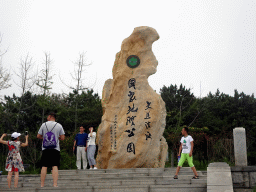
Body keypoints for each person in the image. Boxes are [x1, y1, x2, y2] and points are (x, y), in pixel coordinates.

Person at [37, 112, 65, 187]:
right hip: (55, 148)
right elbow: (62, 138)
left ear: (49, 116)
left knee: (44, 166)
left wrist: (44, 138)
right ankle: (55, 184)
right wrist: (57, 137)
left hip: (45, 148)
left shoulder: (44, 124)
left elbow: (38, 136)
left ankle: (42, 185)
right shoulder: (59, 125)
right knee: (55, 166)